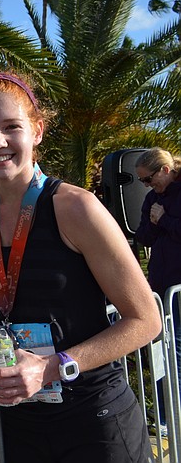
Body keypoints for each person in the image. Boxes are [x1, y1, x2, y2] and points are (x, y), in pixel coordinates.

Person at [0, 72, 162, 462]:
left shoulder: (76, 208)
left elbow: (145, 320)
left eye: (11, 127)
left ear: (36, 131)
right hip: (22, 422)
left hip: (96, 420)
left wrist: (54, 366)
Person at [135, 146, 181, 436]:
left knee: (176, 349)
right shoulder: (153, 199)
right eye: (142, 182)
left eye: (149, 180)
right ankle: (165, 415)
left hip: (178, 288)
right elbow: (143, 236)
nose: (147, 186)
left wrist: (164, 220)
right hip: (162, 286)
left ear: (165, 170)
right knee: (164, 350)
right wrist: (155, 221)